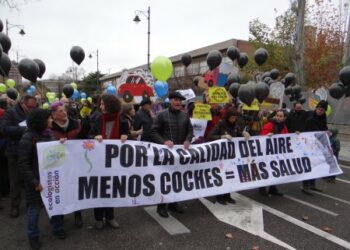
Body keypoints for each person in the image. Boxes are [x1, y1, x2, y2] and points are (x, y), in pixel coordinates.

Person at [17, 108, 66, 250]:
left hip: (51, 180)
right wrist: (34, 183)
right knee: (34, 210)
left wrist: (60, 143)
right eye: (49, 119)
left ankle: (58, 228)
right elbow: (23, 164)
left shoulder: (49, 134)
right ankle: (33, 236)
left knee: (56, 205)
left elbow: (55, 153)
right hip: (36, 183)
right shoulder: (27, 138)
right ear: (41, 122)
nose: (51, 120)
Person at [151, 92, 194, 218]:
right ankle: (161, 206)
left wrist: (188, 140)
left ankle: (173, 203)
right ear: (170, 101)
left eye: (180, 101)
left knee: (177, 179)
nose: (178, 102)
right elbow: (153, 131)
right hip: (165, 154)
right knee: (164, 180)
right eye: (175, 100)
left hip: (180, 155)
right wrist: (163, 142)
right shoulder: (161, 114)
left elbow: (190, 131)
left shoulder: (185, 115)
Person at [89, 94, 128, 229]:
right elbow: (88, 136)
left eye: (103, 104)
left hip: (114, 162)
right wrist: (95, 136)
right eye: (100, 104)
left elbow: (129, 139)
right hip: (98, 162)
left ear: (110, 105)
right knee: (98, 189)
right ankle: (98, 218)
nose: (100, 107)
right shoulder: (97, 119)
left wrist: (126, 137)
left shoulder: (122, 120)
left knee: (110, 189)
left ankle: (110, 217)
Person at [0, 95, 37, 218]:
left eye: (34, 107)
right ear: (22, 103)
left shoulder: (32, 113)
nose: (31, 109)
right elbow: (4, 129)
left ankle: (30, 204)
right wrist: (25, 129)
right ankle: (15, 206)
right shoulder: (10, 112)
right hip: (14, 152)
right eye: (29, 106)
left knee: (30, 179)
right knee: (15, 181)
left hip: (30, 152)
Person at [49, 101, 83, 227]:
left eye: (65, 110)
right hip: (58, 164)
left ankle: (78, 214)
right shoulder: (49, 127)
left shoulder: (77, 124)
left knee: (75, 188)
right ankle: (59, 214)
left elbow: (84, 140)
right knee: (59, 189)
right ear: (53, 114)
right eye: (60, 111)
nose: (64, 113)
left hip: (76, 163)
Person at [207, 107, 250, 205]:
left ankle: (227, 195)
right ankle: (219, 196)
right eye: (232, 118)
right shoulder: (221, 124)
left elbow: (239, 132)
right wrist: (222, 137)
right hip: (221, 155)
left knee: (230, 176)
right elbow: (210, 136)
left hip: (231, 155)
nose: (234, 119)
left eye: (235, 118)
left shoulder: (236, 125)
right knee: (221, 176)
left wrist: (244, 133)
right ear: (227, 117)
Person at [259, 109, 288, 196]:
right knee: (266, 169)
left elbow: (286, 137)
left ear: (284, 118)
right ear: (275, 116)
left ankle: (272, 188)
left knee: (276, 170)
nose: (279, 118)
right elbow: (261, 137)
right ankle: (262, 188)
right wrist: (267, 136)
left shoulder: (284, 126)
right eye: (277, 116)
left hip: (278, 152)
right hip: (268, 152)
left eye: (281, 116)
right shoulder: (269, 125)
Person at [302, 100, 329, 194]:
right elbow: (306, 133)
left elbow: (324, 130)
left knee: (316, 166)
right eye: (319, 109)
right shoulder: (310, 119)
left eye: (322, 110)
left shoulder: (323, 119)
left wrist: (327, 132)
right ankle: (305, 185)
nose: (320, 111)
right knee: (309, 166)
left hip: (318, 147)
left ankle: (312, 184)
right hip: (309, 147)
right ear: (316, 108)